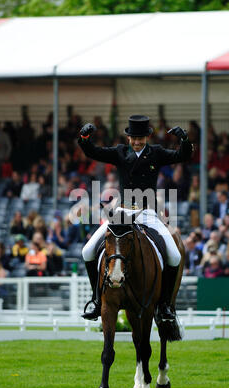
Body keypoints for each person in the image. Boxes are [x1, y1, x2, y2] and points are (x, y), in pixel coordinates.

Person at [78, 115, 194, 321]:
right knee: (87, 251)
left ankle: (165, 305)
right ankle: (97, 300)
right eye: (134, 138)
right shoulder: (120, 152)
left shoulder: (156, 153)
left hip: (147, 212)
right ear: (129, 138)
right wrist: (84, 137)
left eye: (141, 138)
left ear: (147, 137)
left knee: (175, 256)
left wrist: (185, 141)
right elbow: (93, 151)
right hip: (122, 212)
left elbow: (181, 156)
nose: (137, 141)